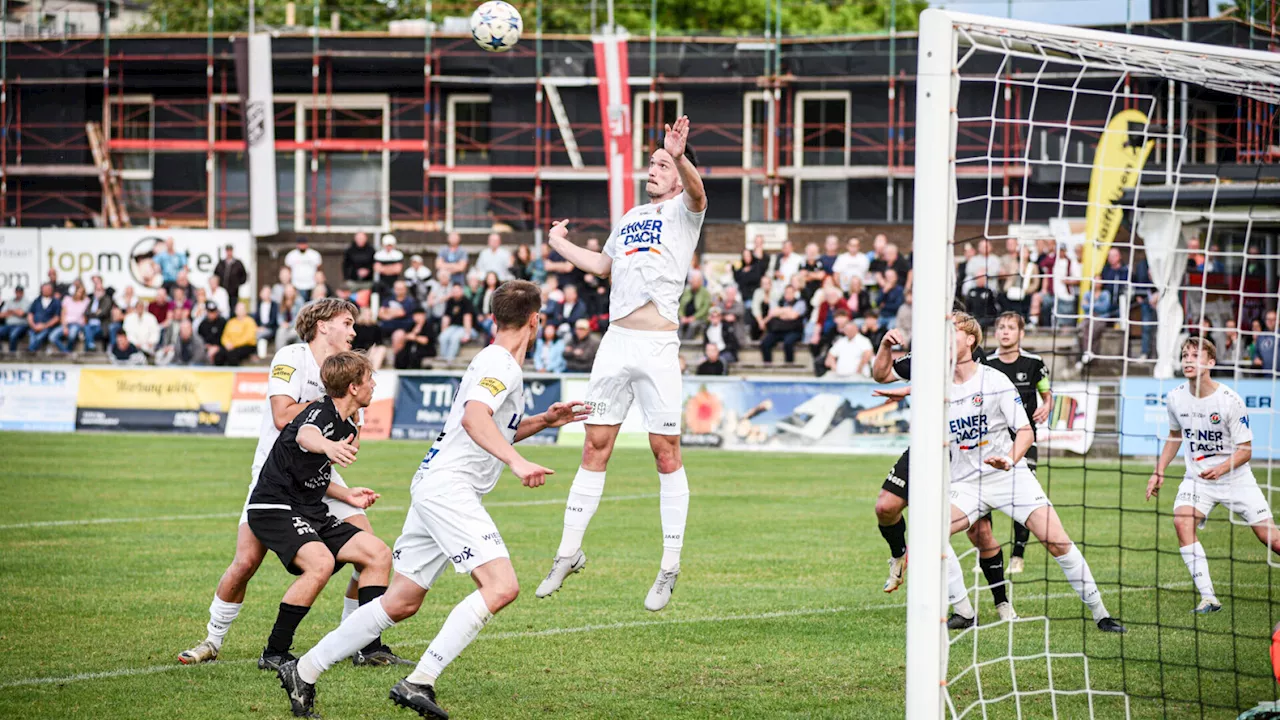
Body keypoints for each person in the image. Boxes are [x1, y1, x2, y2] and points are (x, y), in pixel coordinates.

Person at [277, 281, 587, 720]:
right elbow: (475, 418)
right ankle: (419, 681)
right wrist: (518, 463)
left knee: (401, 600)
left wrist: (544, 420)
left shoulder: (492, 360)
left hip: (436, 484)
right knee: (501, 586)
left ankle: (304, 669)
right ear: (536, 320)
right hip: (449, 488)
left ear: (494, 317)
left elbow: (487, 426)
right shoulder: (501, 363)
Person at [177, 299, 407, 668]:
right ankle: (212, 639)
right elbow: (284, 415)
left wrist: (347, 430)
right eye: (347, 323)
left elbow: (347, 437)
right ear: (322, 325)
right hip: (276, 479)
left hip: (320, 477)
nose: (353, 331)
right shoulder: (292, 357)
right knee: (246, 561)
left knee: (372, 552)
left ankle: (359, 642)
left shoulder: (349, 379)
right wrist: (334, 402)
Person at [536, 116, 706, 611]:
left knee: (664, 452)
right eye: (652, 163)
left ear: (677, 173)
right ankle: (568, 552)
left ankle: (669, 565)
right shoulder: (632, 215)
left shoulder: (684, 210)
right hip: (615, 344)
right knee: (595, 444)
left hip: (657, 349)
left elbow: (698, 193)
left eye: (661, 165)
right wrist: (558, 244)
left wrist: (679, 154)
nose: (653, 169)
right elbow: (602, 265)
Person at [946, 313, 1125, 633]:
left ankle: (1101, 614)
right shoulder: (939, 388)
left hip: (1008, 475)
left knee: (1057, 541)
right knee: (931, 533)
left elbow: (1025, 432)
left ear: (970, 340)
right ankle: (964, 611)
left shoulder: (995, 381)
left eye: (953, 332)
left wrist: (1011, 459)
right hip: (966, 483)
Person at [247, 351, 394, 671]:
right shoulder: (321, 413)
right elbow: (305, 434)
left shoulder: (347, 425)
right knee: (321, 563)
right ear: (353, 387)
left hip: (308, 508)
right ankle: (274, 652)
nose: (373, 385)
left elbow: (313, 472)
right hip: (274, 506)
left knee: (379, 554)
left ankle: (369, 647)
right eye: (369, 379)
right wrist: (328, 446)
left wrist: (347, 494)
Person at [869, 308, 1012, 629]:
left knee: (981, 533)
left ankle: (1001, 601)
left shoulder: (977, 365)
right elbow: (881, 374)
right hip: (923, 447)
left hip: (963, 452)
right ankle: (899, 555)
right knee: (885, 507)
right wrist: (885, 347)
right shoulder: (924, 357)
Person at [1146, 338, 1280, 613]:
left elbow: (1246, 450)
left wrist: (1220, 469)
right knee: (1182, 522)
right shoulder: (1175, 397)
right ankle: (1208, 597)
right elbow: (1174, 437)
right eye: (1184, 355)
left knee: (1272, 539)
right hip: (1198, 480)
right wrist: (1159, 471)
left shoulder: (1230, 401)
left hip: (1236, 479)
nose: (1187, 360)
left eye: (1195, 355)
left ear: (1211, 362)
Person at [981, 312, 1052, 575]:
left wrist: (1047, 406)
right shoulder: (985, 363)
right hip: (990, 442)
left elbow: (1047, 393)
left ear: (1021, 333)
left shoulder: (1034, 363)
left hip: (1024, 439)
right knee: (982, 493)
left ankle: (1018, 555)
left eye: (1011, 327)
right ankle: (987, 551)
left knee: (1022, 495)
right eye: (1000, 327)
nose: (1005, 332)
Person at [759, 284, 806, 365]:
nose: (788, 294)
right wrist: (787, 310)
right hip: (778, 330)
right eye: (786, 292)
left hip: (793, 330)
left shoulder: (800, 302)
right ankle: (767, 364)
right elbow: (772, 313)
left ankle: (789, 365)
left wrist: (779, 312)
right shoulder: (780, 302)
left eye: (790, 292)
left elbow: (793, 315)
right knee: (765, 343)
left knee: (788, 343)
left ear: (794, 293)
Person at [438, 284, 476, 362]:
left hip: (468, 328)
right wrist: (444, 331)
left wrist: (467, 334)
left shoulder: (466, 301)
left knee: (454, 338)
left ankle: (450, 360)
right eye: (454, 291)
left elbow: (467, 318)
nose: (455, 293)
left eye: (457, 291)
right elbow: (446, 317)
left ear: (461, 291)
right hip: (454, 327)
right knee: (443, 337)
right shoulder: (450, 301)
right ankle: (443, 359)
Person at [215, 301, 259, 366]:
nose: (240, 311)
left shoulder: (250, 321)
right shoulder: (231, 322)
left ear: (245, 311)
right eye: (238, 309)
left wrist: (234, 344)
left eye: (242, 309)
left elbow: (248, 337)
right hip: (230, 346)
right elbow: (225, 336)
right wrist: (227, 343)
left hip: (246, 346)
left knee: (232, 355)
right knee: (219, 356)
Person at [51, 282, 90, 353]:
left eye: (82, 292)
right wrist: (64, 327)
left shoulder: (86, 301)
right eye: (78, 291)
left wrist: (82, 329)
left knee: (72, 335)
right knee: (52, 337)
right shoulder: (67, 299)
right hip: (66, 323)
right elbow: (63, 314)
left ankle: (68, 351)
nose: (79, 294)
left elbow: (85, 316)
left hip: (77, 324)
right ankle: (66, 352)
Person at [23, 282, 62, 353]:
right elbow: (30, 314)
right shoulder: (36, 301)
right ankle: (31, 350)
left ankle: (30, 350)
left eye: (48, 289)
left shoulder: (56, 302)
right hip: (34, 326)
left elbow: (57, 318)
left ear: (51, 290)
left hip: (48, 327)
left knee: (41, 335)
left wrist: (44, 326)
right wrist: (33, 325)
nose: (46, 291)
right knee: (32, 334)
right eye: (44, 289)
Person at [285, 237, 324, 302]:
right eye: (300, 244)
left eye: (303, 244)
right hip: (296, 284)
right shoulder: (291, 255)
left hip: (311, 284)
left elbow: (319, 269)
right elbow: (287, 269)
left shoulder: (314, 255)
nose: (302, 246)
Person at [678, 270, 712, 341]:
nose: (693, 283)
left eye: (695, 281)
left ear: (700, 282)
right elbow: (680, 306)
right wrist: (682, 316)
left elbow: (705, 309)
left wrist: (694, 317)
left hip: (699, 318)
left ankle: (687, 343)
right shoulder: (686, 291)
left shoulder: (705, 293)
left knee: (692, 325)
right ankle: (679, 342)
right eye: (692, 281)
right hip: (685, 317)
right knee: (679, 323)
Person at [0, 286, 31, 352]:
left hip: (21, 325)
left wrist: (10, 311)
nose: (18, 293)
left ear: (23, 293)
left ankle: (12, 354)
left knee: (13, 335)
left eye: (20, 292)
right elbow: (1, 315)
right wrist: (16, 311)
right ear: (15, 292)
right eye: (17, 292)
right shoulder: (9, 301)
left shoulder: (26, 301)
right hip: (8, 325)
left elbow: (21, 314)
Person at [1251, 310, 1278, 374]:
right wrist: (1256, 358)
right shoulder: (1261, 337)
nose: (1270, 322)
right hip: (1265, 376)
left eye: (1273, 319)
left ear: (1278, 321)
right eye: (1268, 319)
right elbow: (1256, 352)